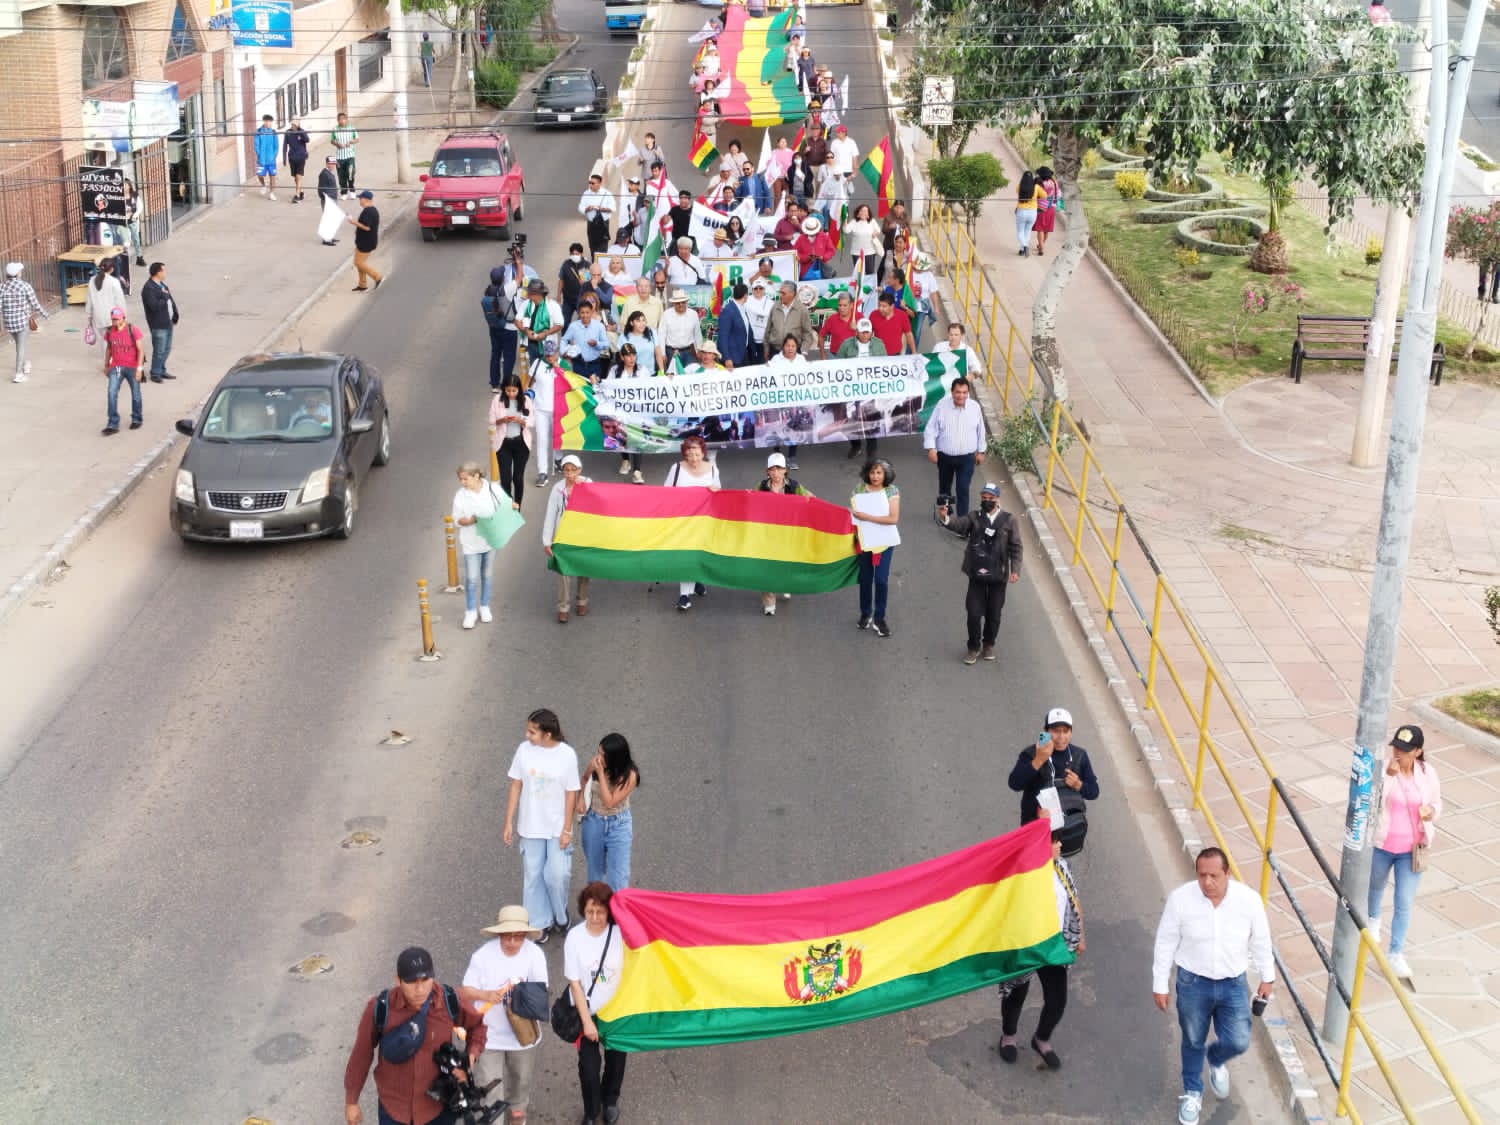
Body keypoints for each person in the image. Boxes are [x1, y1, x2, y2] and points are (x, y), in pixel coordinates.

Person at [1153, 847, 1276, 1125]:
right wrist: (1160, 983)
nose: (1207, 882)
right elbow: (1165, 942)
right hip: (1192, 982)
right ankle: (1193, 1092)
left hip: (1233, 983)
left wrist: (1267, 977)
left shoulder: (1248, 901)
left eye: (1214, 876)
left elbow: (1260, 940)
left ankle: (1217, 1060)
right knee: (1193, 1039)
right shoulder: (1180, 900)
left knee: (1239, 1040)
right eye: (1202, 875)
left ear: (1227, 874)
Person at [344, 946, 486, 1125]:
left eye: (425, 979)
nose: (420, 989)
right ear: (398, 980)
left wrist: (470, 1058)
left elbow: (478, 1026)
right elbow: (361, 1054)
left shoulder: (449, 1000)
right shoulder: (380, 1008)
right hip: (394, 1109)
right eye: (412, 982)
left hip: (438, 1108)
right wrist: (351, 1101)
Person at [999, 816, 1084, 1069]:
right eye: (1052, 842)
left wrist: (1081, 935)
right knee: (1016, 993)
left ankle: (1042, 1039)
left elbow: (1073, 898)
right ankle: (1009, 1037)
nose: (1058, 846)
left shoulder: (1062, 866)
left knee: (1058, 999)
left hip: (1054, 945)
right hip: (1026, 944)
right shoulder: (1022, 873)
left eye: (1058, 840)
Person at [1367, 723, 1442, 980]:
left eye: (1405, 750)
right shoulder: (1388, 770)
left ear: (1418, 751)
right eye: (1396, 748)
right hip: (1384, 844)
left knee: (1404, 901)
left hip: (1412, 848)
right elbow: (1375, 801)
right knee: (1376, 884)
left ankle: (1396, 952)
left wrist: (1431, 812)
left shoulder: (1427, 772)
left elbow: (1435, 802)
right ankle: (1373, 920)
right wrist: (1388, 776)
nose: (1398, 753)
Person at [459, 906, 547, 1125]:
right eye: (508, 936)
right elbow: (465, 991)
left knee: (521, 1081)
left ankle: (517, 1113)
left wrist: (516, 998)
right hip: (488, 1036)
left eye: (518, 937)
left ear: (525, 935)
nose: (513, 942)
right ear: (499, 934)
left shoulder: (535, 954)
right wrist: (486, 994)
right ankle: (493, 1118)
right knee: (489, 1085)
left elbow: (541, 993)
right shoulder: (483, 956)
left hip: (522, 1037)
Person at [504, 709, 581, 935]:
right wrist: (508, 821)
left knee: (557, 875)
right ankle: (538, 924)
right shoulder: (523, 750)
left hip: (557, 828)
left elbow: (571, 793)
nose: (527, 736)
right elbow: (516, 784)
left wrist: (567, 829)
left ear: (547, 735)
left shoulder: (567, 755)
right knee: (533, 877)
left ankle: (560, 915)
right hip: (530, 825)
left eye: (532, 732)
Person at [565, 882, 628, 1125]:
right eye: (590, 911)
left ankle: (610, 1100)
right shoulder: (574, 938)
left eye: (600, 912)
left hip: (616, 1010)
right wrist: (587, 1022)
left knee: (616, 1061)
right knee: (589, 1069)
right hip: (586, 1011)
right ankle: (591, 1111)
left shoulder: (620, 934)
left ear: (608, 912)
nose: (594, 917)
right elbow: (575, 984)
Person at [938, 482, 1022, 663]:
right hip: (977, 574)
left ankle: (989, 644)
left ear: (997, 499)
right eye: (984, 498)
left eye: (990, 498)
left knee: (994, 614)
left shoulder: (1009, 520)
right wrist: (945, 517)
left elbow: (1016, 547)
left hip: (998, 576)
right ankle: (973, 647)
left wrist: (1015, 569)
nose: (987, 501)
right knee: (973, 613)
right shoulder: (974, 517)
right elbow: (958, 525)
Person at [1008, 708, 1100, 854]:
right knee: (1034, 868)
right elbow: (1014, 783)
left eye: (1066, 731)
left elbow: (1094, 792)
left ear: (1071, 732)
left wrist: (1078, 784)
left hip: (1065, 828)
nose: (1061, 737)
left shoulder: (1079, 756)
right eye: (1056, 731)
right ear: (1045, 731)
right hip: (1034, 824)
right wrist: (1038, 760)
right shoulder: (1031, 754)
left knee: (1058, 870)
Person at [453, 461, 512, 629]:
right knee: (471, 578)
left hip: (490, 541)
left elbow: (505, 503)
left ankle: (484, 606)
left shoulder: (492, 488)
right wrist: (471, 520)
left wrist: (512, 506)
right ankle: (470, 611)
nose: (463, 483)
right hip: (471, 543)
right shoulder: (460, 495)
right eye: (461, 479)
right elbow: (457, 519)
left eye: (466, 479)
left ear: (476, 476)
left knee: (487, 574)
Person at [579, 733, 641, 889]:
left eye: (603, 755)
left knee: (618, 879)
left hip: (618, 825)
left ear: (615, 758)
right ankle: (595, 913)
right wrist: (580, 798)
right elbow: (585, 778)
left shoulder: (630, 775)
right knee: (595, 876)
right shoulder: (596, 764)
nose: (598, 757)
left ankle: (617, 913)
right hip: (593, 821)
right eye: (598, 752)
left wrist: (600, 773)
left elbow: (610, 802)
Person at [665, 435, 720, 611]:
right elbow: (665, 492)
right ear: (685, 455)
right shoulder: (676, 469)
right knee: (686, 554)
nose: (694, 459)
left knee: (700, 553)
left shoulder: (712, 469)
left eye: (697, 454)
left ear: (703, 452)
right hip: (683, 520)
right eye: (690, 455)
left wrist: (715, 490)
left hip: (704, 520)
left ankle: (697, 581)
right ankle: (684, 595)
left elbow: (719, 491)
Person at [923, 376, 987, 518]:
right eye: (958, 392)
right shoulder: (941, 406)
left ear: (968, 393)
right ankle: (946, 515)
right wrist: (931, 449)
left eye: (964, 392)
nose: (961, 396)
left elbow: (981, 430)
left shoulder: (974, 407)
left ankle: (962, 520)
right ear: (952, 392)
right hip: (945, 457)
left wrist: (981, 451)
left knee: (963, 488)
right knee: (945, 488)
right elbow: (930, 428)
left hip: (967, 458)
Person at [758, 452, 812, 614]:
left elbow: (810, 499)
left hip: (789, 533)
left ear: (785, 471)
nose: (775, 473)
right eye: (772, 470)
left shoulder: (794, 486)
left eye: (779, 469)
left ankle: (786, 584)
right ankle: (769, 602)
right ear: (767, 471)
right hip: (767, 533)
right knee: (766, 565)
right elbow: (751, 503)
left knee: (786, 563)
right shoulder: (761, 486)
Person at [851, 459, 900, 637]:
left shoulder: (892, 491)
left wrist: (866, 517)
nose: (875, 476)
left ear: (885, 474)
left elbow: (893, 519)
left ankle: (880, 618)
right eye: (872, 473)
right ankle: (865, 613)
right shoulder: (859, 490)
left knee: (881, 580)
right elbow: (854, 516)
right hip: (864, 541)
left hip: (884, 542)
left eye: (879, 473)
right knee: (865, 579)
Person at [542, 455, 593, 621]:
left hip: (583, 534)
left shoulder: (587, 484)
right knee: (563, 571)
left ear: (579, 470)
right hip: (563, 535)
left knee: (584, 568)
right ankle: (563, 606)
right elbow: (551, 514)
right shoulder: (557, 488)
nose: (570, 474)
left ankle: (582, 601)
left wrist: (584, 487)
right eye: (566, 470)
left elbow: (597, 503)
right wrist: (547, 541)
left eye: (573, 470)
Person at [526, 336, 566, 486]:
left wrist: (559, 369)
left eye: (552, 354)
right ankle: (542, 472)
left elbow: (570, 384)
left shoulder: (564, 365)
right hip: (540, 408)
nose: (550, 357)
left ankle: (558, 459)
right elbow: (529, 381)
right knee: (542, 440)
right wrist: (526, 397)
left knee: (558, 438)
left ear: (557, 353)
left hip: (559, 409)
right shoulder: (537, 363)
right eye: (547, 354)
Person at [604, 344, 648, 483]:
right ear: (622, 357)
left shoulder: (642, 370)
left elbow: (651, 387)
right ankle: (625, 460)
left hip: (637, 412)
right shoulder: (615, 371)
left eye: (633, 355)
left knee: (637, 439)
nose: (631, 358)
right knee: (621, 437)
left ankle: (637, 471)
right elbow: (607, 388)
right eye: (628, 355)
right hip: (621, 411)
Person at [100, 306, 144, 436]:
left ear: (123, 318)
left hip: (132, 366)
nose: (114, 322)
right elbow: (109, 348)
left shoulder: (132, 330)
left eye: (116, 319)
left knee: (135, 393)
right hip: (117, 367)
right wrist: (106, 365)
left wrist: (139, 369)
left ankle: (136, 418)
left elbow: (141, 350)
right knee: (111, 392)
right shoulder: (109, 332)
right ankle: (112, 423)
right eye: (113, 319)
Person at [2, 261, 46, 383]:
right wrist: (44, 314)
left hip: (9, 323)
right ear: (17, 274)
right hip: (22, 322)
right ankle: (18, 373)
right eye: (20, 271)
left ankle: (26, 363)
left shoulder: (2, 287)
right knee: (21, 347)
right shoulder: (25, 286)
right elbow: (35, 304)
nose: (21, 273)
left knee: (19, 345)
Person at [489, 377, 532, 504]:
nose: (511, 394)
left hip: (521, 443)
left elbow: (532, 420)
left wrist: (521, 421)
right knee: (505, 478)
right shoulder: (497, 400)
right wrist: (503, 420)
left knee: (518, 478)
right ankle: (508, 507)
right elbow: (492, 420)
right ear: (504, 389)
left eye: (514, 391)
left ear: (519, 390)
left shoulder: (525, 400)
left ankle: (517, 506)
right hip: (503, 444)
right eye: (508, 391)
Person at [139, 261, 179, 383]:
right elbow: (154, 306)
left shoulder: (162, 285)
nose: (165, 273)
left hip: (168, 322)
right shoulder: (149, 288)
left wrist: (175, 315)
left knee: (166, 348)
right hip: (158, 323)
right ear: (158, 272)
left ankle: (161, 369)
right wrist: (164, 297)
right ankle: (155, 373)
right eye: (164, 270)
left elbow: (170, 301)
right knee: (159, 349)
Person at [560, 299, 611, 380]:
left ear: (591, 312)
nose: (585, 315)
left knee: (594, 389)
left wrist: (596, 344)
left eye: (587, 312)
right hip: (578, 364)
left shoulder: (599, 326)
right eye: (582, 313)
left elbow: (607, 344)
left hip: (594, 365)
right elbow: (564, 339)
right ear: (579, 313)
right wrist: (563, 352)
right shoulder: (573, 326)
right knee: (580, 390)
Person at [84, 257, 127, 348]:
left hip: (97, 317)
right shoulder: (114, 282)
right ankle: (112, 361)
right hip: (112, 318)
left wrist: (89, 316)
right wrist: (123, 316)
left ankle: (106, 360)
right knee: (113, 342)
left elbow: (89, 300)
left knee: (104, 341)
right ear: (112, 269)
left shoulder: (92, 280)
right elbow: (120, 301)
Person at [765, 280, 815, 358]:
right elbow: (768, 330)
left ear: (792, 294)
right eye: (780, 292)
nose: (780, 295)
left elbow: (808, 333)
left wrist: (803, 351)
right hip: (775, 352)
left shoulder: (802, 310)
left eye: (783, 293)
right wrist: (766, 350)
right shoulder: (775, 307)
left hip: (794, 353)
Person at [348, 189, 383, 292]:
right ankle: (362, 285)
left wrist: (353, 222)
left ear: (365, 199)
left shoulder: (368, 212)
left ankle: (377, 277)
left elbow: (367, 227)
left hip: (366, 242)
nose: (359, 200)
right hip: (366, 241)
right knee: (360, 263)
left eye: (361, 198)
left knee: (358, 263)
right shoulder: (372, 210)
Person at [659, 289, 704, 365]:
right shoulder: (666, 314)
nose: (680, 305)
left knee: (692, 372)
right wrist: (662, 354)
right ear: (673, 303)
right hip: (671, 352)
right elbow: (661, 335)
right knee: (674, 375)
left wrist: (699, 351)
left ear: (686, 302)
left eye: (683, 302)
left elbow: (697, 335)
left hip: (689, 351)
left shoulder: (693, 314)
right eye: (677, 303)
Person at [869, 290, 915, 356]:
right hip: (877, 354)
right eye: (879, 305)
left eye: (884, 306)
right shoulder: (873, 315)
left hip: (895, 355)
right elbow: (868, 334)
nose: (880, 309)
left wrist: (913, 352)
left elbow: (909, 334)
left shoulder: (902, 315)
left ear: (892, 306)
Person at [717, 281, 751, 368]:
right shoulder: (728, 310)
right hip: (733, 358)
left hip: (744, 354)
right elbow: (722, 336)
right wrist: (727, 358)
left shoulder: (743, 308)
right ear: (745, 295)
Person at [619, 310, 664, 375]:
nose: (642, 323)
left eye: (643, 320)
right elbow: (622, 358)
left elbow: (658, 353)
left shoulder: (651, 332)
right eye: (638, 321)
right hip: (633, 376)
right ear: (631, 323)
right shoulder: (624, 337)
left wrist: (662, 372)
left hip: (651, 374)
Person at [579, 173, 614, 257]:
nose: (591, 185)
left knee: (602, 251)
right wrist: (588, 208)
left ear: (599, 183)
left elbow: (612, 208)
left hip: (603, 224)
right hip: (591, 225)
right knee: (593, 250)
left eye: (593, 183)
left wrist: (601, 209)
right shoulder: (586, 193)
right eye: (590, 183)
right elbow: (581, 207)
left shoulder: (606, 194)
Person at [1015, 169, 1046, 257]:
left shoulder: (1019, 186)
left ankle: (1024, 246)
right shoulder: (1036, 187)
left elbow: (1017, 191)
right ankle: (1022, 249)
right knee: (1027, 231)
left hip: (1021, 211)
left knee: (1020, 231)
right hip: (1032, 212)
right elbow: (1044, 196)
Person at [558, 243, 590, 326]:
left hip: (581, 299)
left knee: (582, 321)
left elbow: (588, 282)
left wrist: (584, 283)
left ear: (581, 254)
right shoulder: (566, 264)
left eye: (577, 254)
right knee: (564, 321)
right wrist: (558, 295)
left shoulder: (587, 265)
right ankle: (565, 338)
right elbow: (561, 280)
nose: (574, 256)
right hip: (567, 299)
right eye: (572, 254)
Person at [818, 291, 859, 358]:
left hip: (855, 356)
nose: (841, 308)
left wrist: (857, 329)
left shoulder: (859, 317)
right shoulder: (832, 319)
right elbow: (821, 336)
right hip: (835, 356)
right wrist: (822, 353)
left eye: (845, 305)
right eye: (840, 305)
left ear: (851, 305)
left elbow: (868, 336)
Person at [844, 203, 881, 275]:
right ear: (858, 213)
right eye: (861, 211)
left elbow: (878, 230)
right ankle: (860, 286)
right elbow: (846, 230)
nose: (863, 213)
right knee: (859, 273)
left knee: (870, 272)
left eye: (865, 211)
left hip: (870, 251)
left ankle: (869, 286)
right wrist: (845, 220)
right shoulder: (854, 222)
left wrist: (875, 233)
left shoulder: (872, 221)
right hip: (856, 252)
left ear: (868, 214)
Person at [744, 275, 774, 364]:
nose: (758, 290)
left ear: (764, 289)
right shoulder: (746, 301)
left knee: (765, 364)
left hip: (765, 340)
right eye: (755, 288)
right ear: (752, 290)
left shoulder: (770, 303)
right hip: (750, 340)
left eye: (760, 288)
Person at [794, 215, 834, 280]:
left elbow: (831, 250)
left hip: (821, 269)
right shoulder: (801, 239)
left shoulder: (824, 237)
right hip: (805, 271)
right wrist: (806, 257)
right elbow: (796, 253)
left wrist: (823, 257)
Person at [1033, 166, 1060, 255]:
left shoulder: (1039, 183)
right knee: (1046, 229)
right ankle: (1041, 244)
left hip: (1040, 207)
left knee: (1040, 228)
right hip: (1051, 208)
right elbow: (1058, 195)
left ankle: (1041, 248)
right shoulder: (1054, 182)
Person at [283, 117, 310, 202]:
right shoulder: (288, 132)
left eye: (295, 124)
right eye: (292, 124)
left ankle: (297, 195)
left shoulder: (301, 131)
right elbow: (285, 145)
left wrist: (300, 132)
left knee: (299, 176)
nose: (293, 126)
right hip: (292, 157)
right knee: (295, 177)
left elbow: (307, 139)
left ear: (298, 124)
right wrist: (284, 158)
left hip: (301, 156)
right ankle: (301, 191)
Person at [332, 112, 359, 198]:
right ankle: (344, 192)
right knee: (341, 175)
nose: (342, 121)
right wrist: (337, 144)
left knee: (350, 172)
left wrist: (350, 142)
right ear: (338, 120)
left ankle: (352, 189)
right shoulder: (335, 129)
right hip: (339, 157)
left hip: (350, 155)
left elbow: (357, 139)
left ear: (346, 120)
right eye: (340, 119)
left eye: (343, 119)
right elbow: (332, 140)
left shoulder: (352, 128)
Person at [120, 178, 146, 266]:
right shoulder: (119, 196)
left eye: (126, 185)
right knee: (125, 241)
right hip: (123, 222)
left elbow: (140, 206)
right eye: (123, 185)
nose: (125, 187)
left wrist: (135, 215)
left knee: (136, 239)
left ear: (130, 186)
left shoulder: (134, 195)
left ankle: (139, 258)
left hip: (133, 221)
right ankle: (124, 259)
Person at [253, 114, 279, 200]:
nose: (269, 123)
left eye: (270, 122)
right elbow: (256, 145)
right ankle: (263, 185)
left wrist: (274, 156)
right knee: (259, 175)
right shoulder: (259, 131)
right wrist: (259, 155)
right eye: (267, 121)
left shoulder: (273, 132)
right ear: (264, 121)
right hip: (262, 159)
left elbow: (276, 146)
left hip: (271, 160)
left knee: (273, 176)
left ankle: (272, 193)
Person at [317, 156, 341, 244]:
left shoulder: (329, 173)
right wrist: (326, 199)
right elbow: (321, 189)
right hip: (328, 200)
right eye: (332, 164)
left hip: (332, 199)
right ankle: (326, 239)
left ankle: (330, 237)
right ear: (327, 164)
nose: (333, 166)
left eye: (334, 164)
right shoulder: (324, 174)